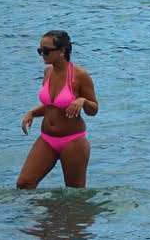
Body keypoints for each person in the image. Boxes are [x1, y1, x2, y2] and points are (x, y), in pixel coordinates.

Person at [17, 30, 98, 189]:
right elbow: (51, 106)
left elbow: (94, 110)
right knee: (24, 183)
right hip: (47, 139)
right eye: (40, 50)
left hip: (73, 141)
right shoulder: (48, 72)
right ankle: (46, 212)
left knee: (75, 195)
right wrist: (33, 112)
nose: (42, 55)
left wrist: (82, 101)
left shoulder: (80, 75)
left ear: (62, 51)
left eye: (46, 51)